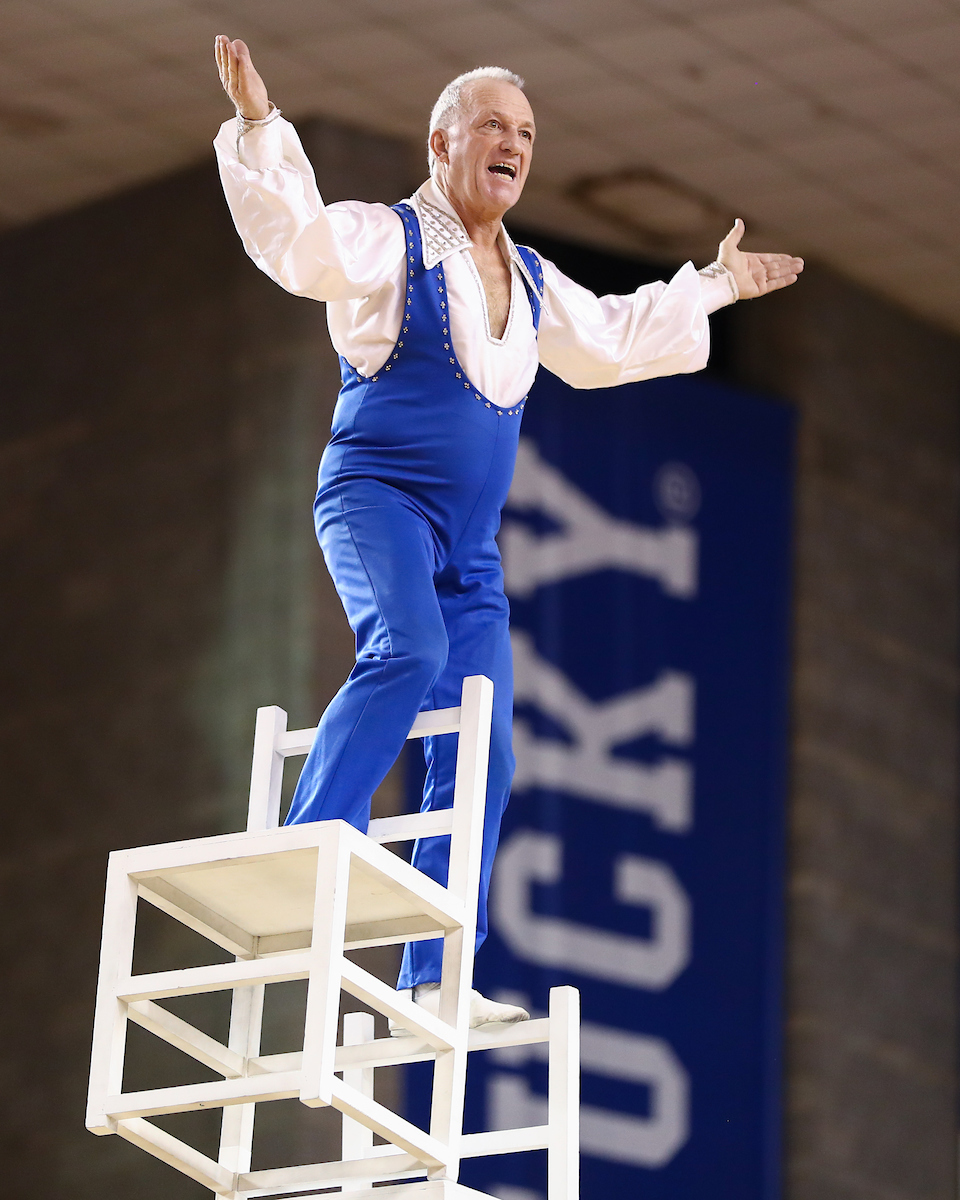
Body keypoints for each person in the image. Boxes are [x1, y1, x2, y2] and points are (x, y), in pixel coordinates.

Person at [213, 35, 803, 1029]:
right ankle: (303, 850)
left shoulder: (529, 281)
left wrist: (716, 284)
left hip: (469, 553)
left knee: (486, 741)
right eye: (492, 124)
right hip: (376, 502)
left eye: (525, 133)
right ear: (442, 141)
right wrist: (264, 130)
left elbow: (613, 339)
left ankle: (432, 975)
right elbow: (300, 245)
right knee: (407, 649)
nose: (512, 143)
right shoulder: (388, 239)